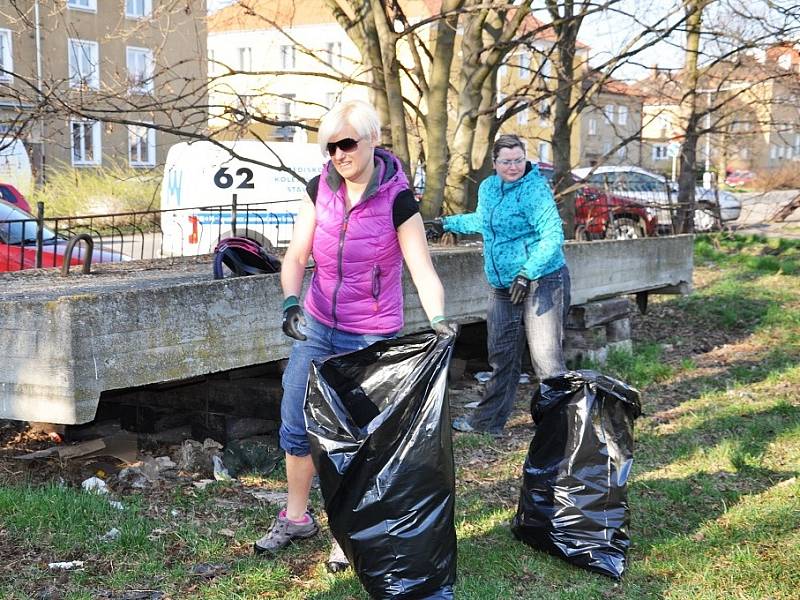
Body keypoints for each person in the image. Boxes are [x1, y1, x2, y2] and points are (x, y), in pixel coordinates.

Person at [253, 100, 458, 581]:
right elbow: (296, 255)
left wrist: (440, 318)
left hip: (371, 331)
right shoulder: (319, 188)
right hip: (318, 325)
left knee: (358, 438)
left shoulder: (398, 200)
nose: (339, 154)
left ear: (372, 142)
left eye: (348, 143)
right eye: (331, 146)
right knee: (295, 422)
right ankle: (297, 517)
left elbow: (422, 269)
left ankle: (347, 534)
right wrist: (290, 301)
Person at [426, 133, 570, 436]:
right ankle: (487, 423)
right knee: (501, 355)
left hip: (542, 280)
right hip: (502, 286)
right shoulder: (490, 188)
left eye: (519, 160)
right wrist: (446, 224)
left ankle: (558, 430)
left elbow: (553, 235)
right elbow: (484, 220)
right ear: (495, 163)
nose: (514, 166)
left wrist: (527, 272)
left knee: (545, 358)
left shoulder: (535, 191)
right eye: (506, 161)